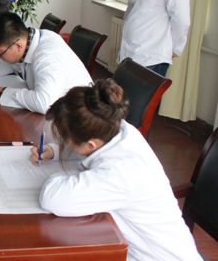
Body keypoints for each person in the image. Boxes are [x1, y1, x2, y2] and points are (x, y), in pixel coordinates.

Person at [31, 79, 202, 261]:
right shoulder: (119, 129)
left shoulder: (121, 173)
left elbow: (52, 198)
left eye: (65, 138)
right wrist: (55, 150)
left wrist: (73, 175)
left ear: (90, 144)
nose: (63, 141)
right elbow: (90, 150)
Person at [0, 9, 92, 114]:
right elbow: (14, 62)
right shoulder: (29, 40)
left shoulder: (48, 58)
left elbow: (43, 103)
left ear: (18, 46)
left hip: (77, 117)